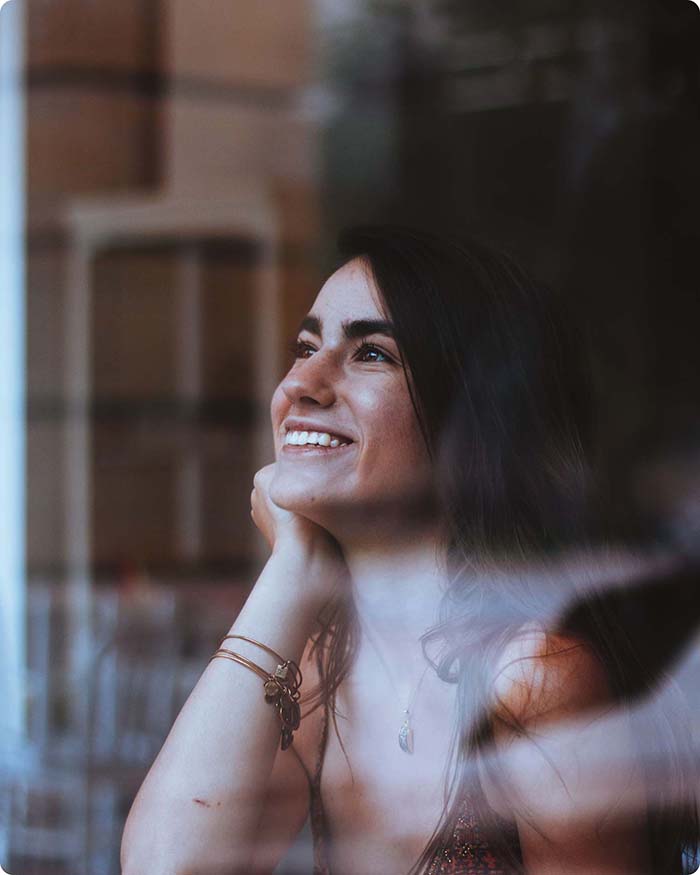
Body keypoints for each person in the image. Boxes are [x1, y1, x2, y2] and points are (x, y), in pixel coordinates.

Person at [121, 226, 696, 875]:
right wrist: (292, 569)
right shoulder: (320, 666)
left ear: (469, 420)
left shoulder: (534, 676)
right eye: (305, 345)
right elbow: (166, 866)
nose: (302, 382)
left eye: (371, 353)